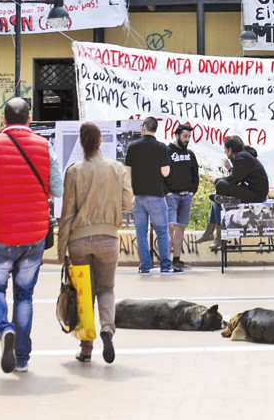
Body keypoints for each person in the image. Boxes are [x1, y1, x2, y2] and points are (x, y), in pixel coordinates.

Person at [0, 98, 63, 374]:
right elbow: (57, 188)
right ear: (29, 120)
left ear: (4, 121)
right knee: (24, 295)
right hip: (33, 235)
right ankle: (22, 358)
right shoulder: (45, 146)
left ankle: (4, 329)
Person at [58, 122, 134, 364]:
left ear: (82, 143)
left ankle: (86, 349)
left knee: (84, 294)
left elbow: (67, 213)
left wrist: (62, 251)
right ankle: (107, 329)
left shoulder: (74, 171)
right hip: (108, 239)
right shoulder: (116, 168)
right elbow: (128, 203)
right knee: (106, 289)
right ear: (100, 141)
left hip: (79, 241)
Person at [124, 117, 179, 275]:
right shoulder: (161, 147)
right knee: (162, 230)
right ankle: (165, 265)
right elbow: (165, 172)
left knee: (141, 231)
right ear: (154, 129)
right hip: (155, 193)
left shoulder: (133, 146)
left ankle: (145, 266)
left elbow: (127, 173)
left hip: (137, 194)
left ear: (144, 128)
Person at [206, 135, 269, 252]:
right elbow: (238, 177)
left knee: (220, 186)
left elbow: (233, 179)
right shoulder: (244, 156)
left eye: (225, 150)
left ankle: (216, 234)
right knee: (216, 200)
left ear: (230, 150)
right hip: (252, 191)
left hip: (255, 195)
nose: (225, 153)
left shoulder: (241, 157)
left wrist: (216, 180)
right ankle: (214, 233)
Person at [165, 124, 199, 270]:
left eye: (189, 137)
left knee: (180, 228)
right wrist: (167, 192)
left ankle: (176, 259)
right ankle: (165, 259)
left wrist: (192, 192)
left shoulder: (190, 154)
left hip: (186, 196)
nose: (187, 139)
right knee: (170, 226)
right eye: (185, 136)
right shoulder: (167, 151)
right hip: (172, 196)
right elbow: (161, 173)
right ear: (177, 136)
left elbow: (195, 175)